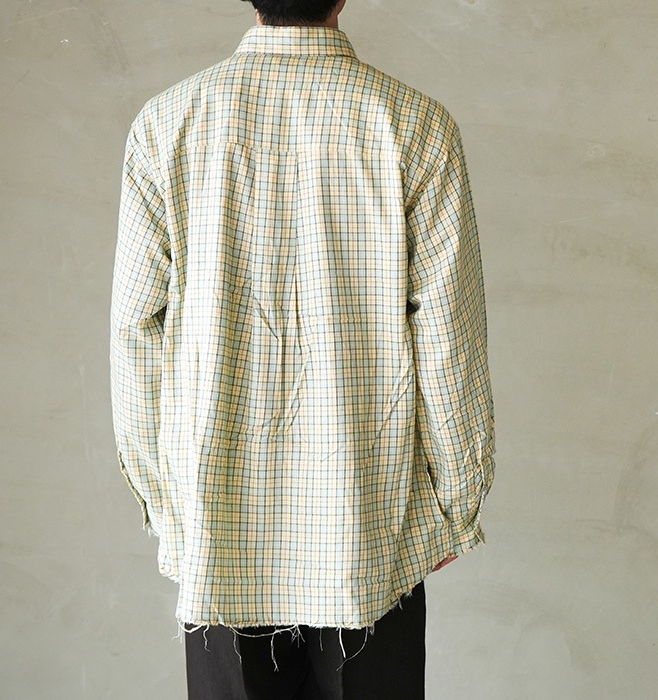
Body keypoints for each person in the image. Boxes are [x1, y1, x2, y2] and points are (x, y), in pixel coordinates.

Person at [109, 0, 496, 697]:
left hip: (221, 525)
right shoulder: (416, 127)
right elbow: (449, 340)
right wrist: (453, 506)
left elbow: (137, 333)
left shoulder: (168, 124)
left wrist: (169, 507)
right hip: (369, 526)